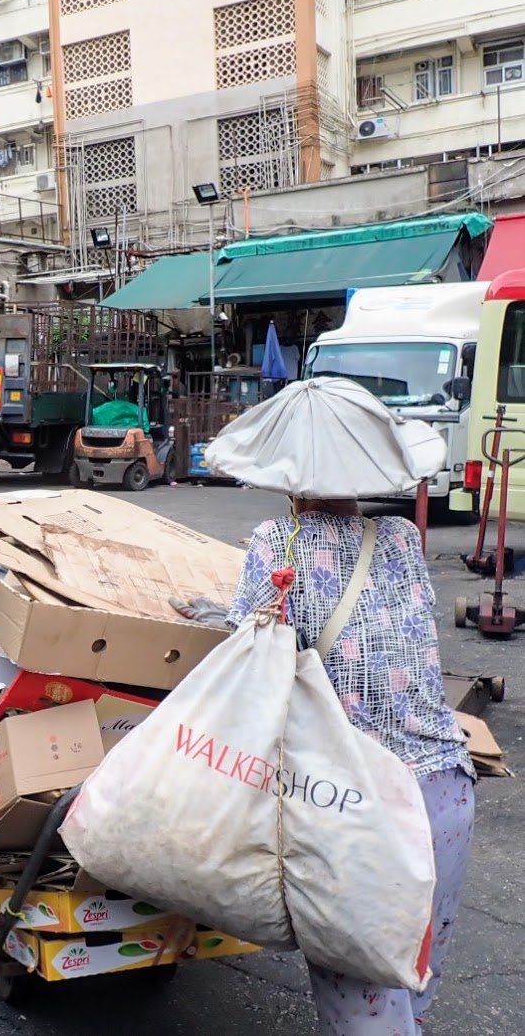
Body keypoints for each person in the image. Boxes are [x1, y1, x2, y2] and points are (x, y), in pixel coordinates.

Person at [206, 379, 474, 1036]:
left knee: (366, 1012)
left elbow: (255, 655)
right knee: (410, 988)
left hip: (361, 807)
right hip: (445, 793)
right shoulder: (404, 539)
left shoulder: (278, 540)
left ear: (288, 476)